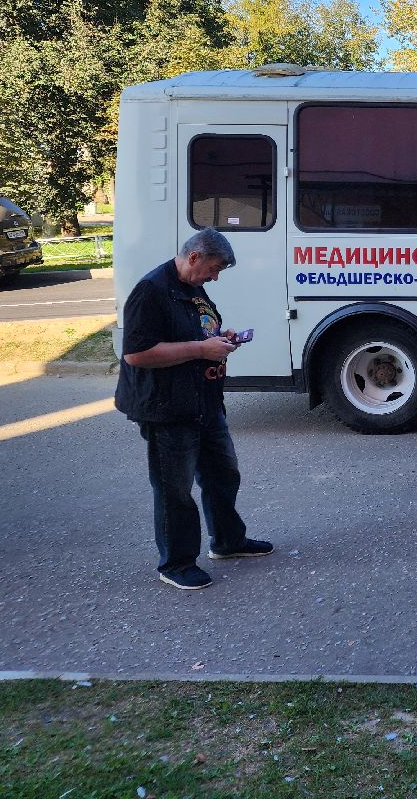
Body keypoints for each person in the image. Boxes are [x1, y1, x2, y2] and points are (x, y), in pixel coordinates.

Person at [114, 228, 272, 590]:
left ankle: (228, 542)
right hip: (167, 407)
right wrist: (201, 350)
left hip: (204, 401)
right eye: (214, 269)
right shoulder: (151, 291)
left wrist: (218, 339)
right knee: (175, 489)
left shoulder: (193, 286)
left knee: (223, 475)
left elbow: (194, 331)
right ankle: (176, 563)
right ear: (195, 257)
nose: (215, 278)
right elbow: (137, 354)